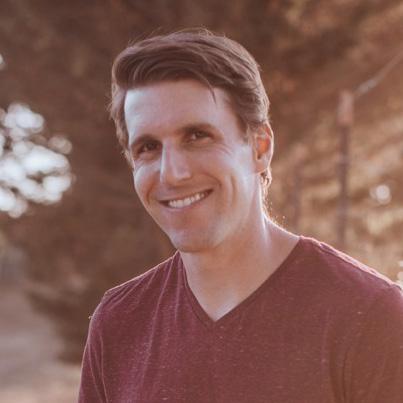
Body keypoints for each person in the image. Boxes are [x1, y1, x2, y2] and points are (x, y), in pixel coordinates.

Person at [78, 29, 403, 403]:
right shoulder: (118, 323)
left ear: (260, 148)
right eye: (148, 147)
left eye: (197, 136)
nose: (172, 173)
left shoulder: (370, 317)